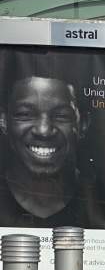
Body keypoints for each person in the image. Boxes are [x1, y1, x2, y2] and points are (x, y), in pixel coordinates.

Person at [0, 73, 99, 228]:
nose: (44, 131)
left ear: (83, 124)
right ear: (4, 121)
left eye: (61, 116)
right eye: (25, 114)